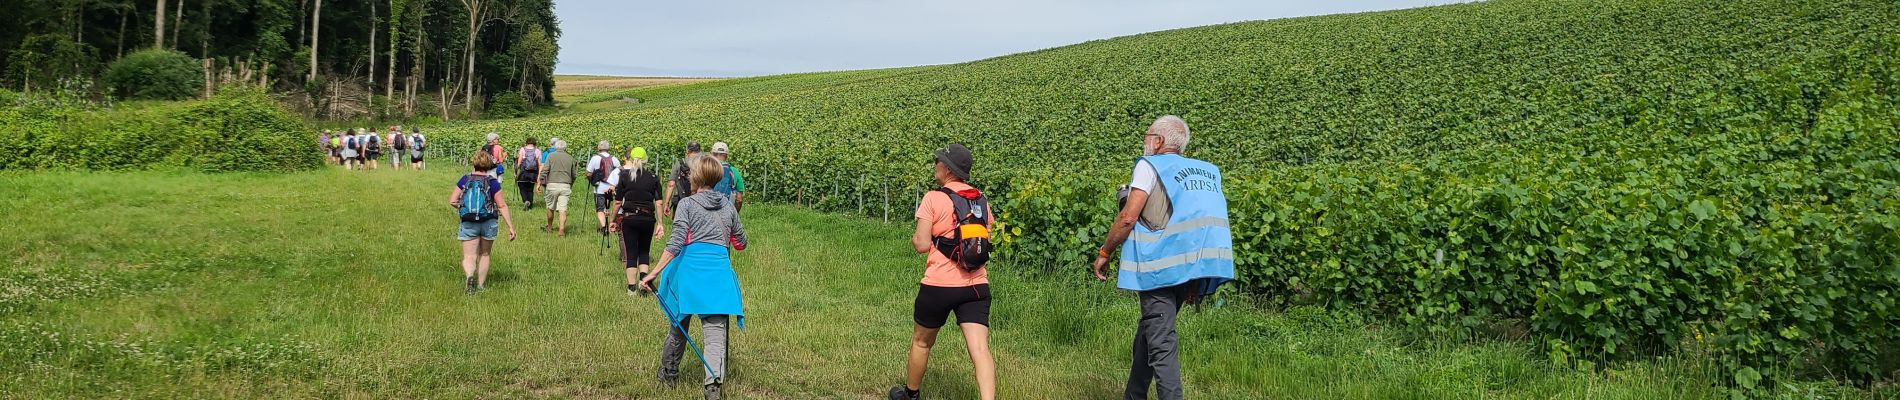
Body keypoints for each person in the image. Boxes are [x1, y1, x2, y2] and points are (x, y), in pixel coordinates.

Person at [1089, 116, 1235, 400]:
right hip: (1191, 269)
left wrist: (1105, 252)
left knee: (1161, 343)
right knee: (1150, 333)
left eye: (1147, 135)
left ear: (1159, 141)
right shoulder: (1207, 172)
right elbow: (1200, 221)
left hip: (1158, 269)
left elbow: (1129, 216)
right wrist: (1197, 278)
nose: (1145, 141)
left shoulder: (1149, 165)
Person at [888, 144, 996, 400]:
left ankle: (911, 395)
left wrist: (921, 239)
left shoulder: (933, 198)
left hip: (939, 285)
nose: (935, 165)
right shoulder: (981, 200)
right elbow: (985, 239)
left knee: (922, 342)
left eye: (938, 161)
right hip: (976, 286)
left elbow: (922, 244)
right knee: (980, 350)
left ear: (947, 169)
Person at [636, 154, 748, 400]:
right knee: (716, 333)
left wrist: (653, 273)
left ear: (695, 177)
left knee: (678, 326)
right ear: (718, 177)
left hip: (689, 274)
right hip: (718, 274)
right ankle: (713, 385)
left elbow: (675, 244)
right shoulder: (728, 207)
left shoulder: (687, 204)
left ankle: (668, 375)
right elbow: (741, 242)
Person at [449, 150, 519, 294]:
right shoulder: (493, 183)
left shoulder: (465, 179)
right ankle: (480, 285)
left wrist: (464, 207)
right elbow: (502, 205)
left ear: (474, 163)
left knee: (469, 256)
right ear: (489, 165)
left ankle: (469, 277)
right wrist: (510, 227)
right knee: (485, 254)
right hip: (489, 221)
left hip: (468, 221)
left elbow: (452, 201)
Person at [607, 147, 665, 297]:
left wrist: (613, 220)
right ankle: (644, 284)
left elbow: (618, 202)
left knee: (631, 253)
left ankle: (631, 288)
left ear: (631, 159)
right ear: (646, 160)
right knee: (644, 251)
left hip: (629, 218)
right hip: (647, 219)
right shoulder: (653, 177)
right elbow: (659, 203)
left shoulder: (625, 176)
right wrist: (660, 223)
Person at [538, 139, 579, 236]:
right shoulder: (570, 157)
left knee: (550, 207)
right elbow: (574, 175)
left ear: (555, 147)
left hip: (552, 184)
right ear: (565, 147)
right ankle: (561, 230)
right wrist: (570, 184)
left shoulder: (550, 156)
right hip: (565, 185)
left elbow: (545, 170)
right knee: (562, 209)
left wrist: (540, 182)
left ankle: (549, 227)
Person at [586, 141, 620, 235]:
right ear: (608, 149)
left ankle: (604, 228)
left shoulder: (595, 158)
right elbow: (621, 171)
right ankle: (612, 226)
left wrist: (592, 180)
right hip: (612, 188)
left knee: (600, 209)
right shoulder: (614, 159)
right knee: (610, 207)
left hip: (599, 187)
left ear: (598, 148)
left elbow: (588, 172)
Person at [663, 141, 702, 220]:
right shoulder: (704, 163)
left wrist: (666, 203)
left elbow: (671, 184)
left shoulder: (679, 163)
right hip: (700, 201)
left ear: (687, 151)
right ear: (699, 151)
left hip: (682, 201)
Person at [709, 142, 745, 209]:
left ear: (712, 154)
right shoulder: (734, 171)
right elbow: (739, 199)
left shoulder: (706, 169)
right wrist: (735, 214)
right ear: (727, 156)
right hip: (727, 211)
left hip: (708, 211)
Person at [516, 138, 541, 210]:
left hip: (523, 172)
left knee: (522, 187)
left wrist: (516, 170)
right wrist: (539, 174)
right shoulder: (537, 151)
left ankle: (525, 200)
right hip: (533, 173)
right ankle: (530, 205)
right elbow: (539, 164)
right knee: (530, 189)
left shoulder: (522, 149)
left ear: (526, 142)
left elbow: (519, 161)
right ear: (534, 143)